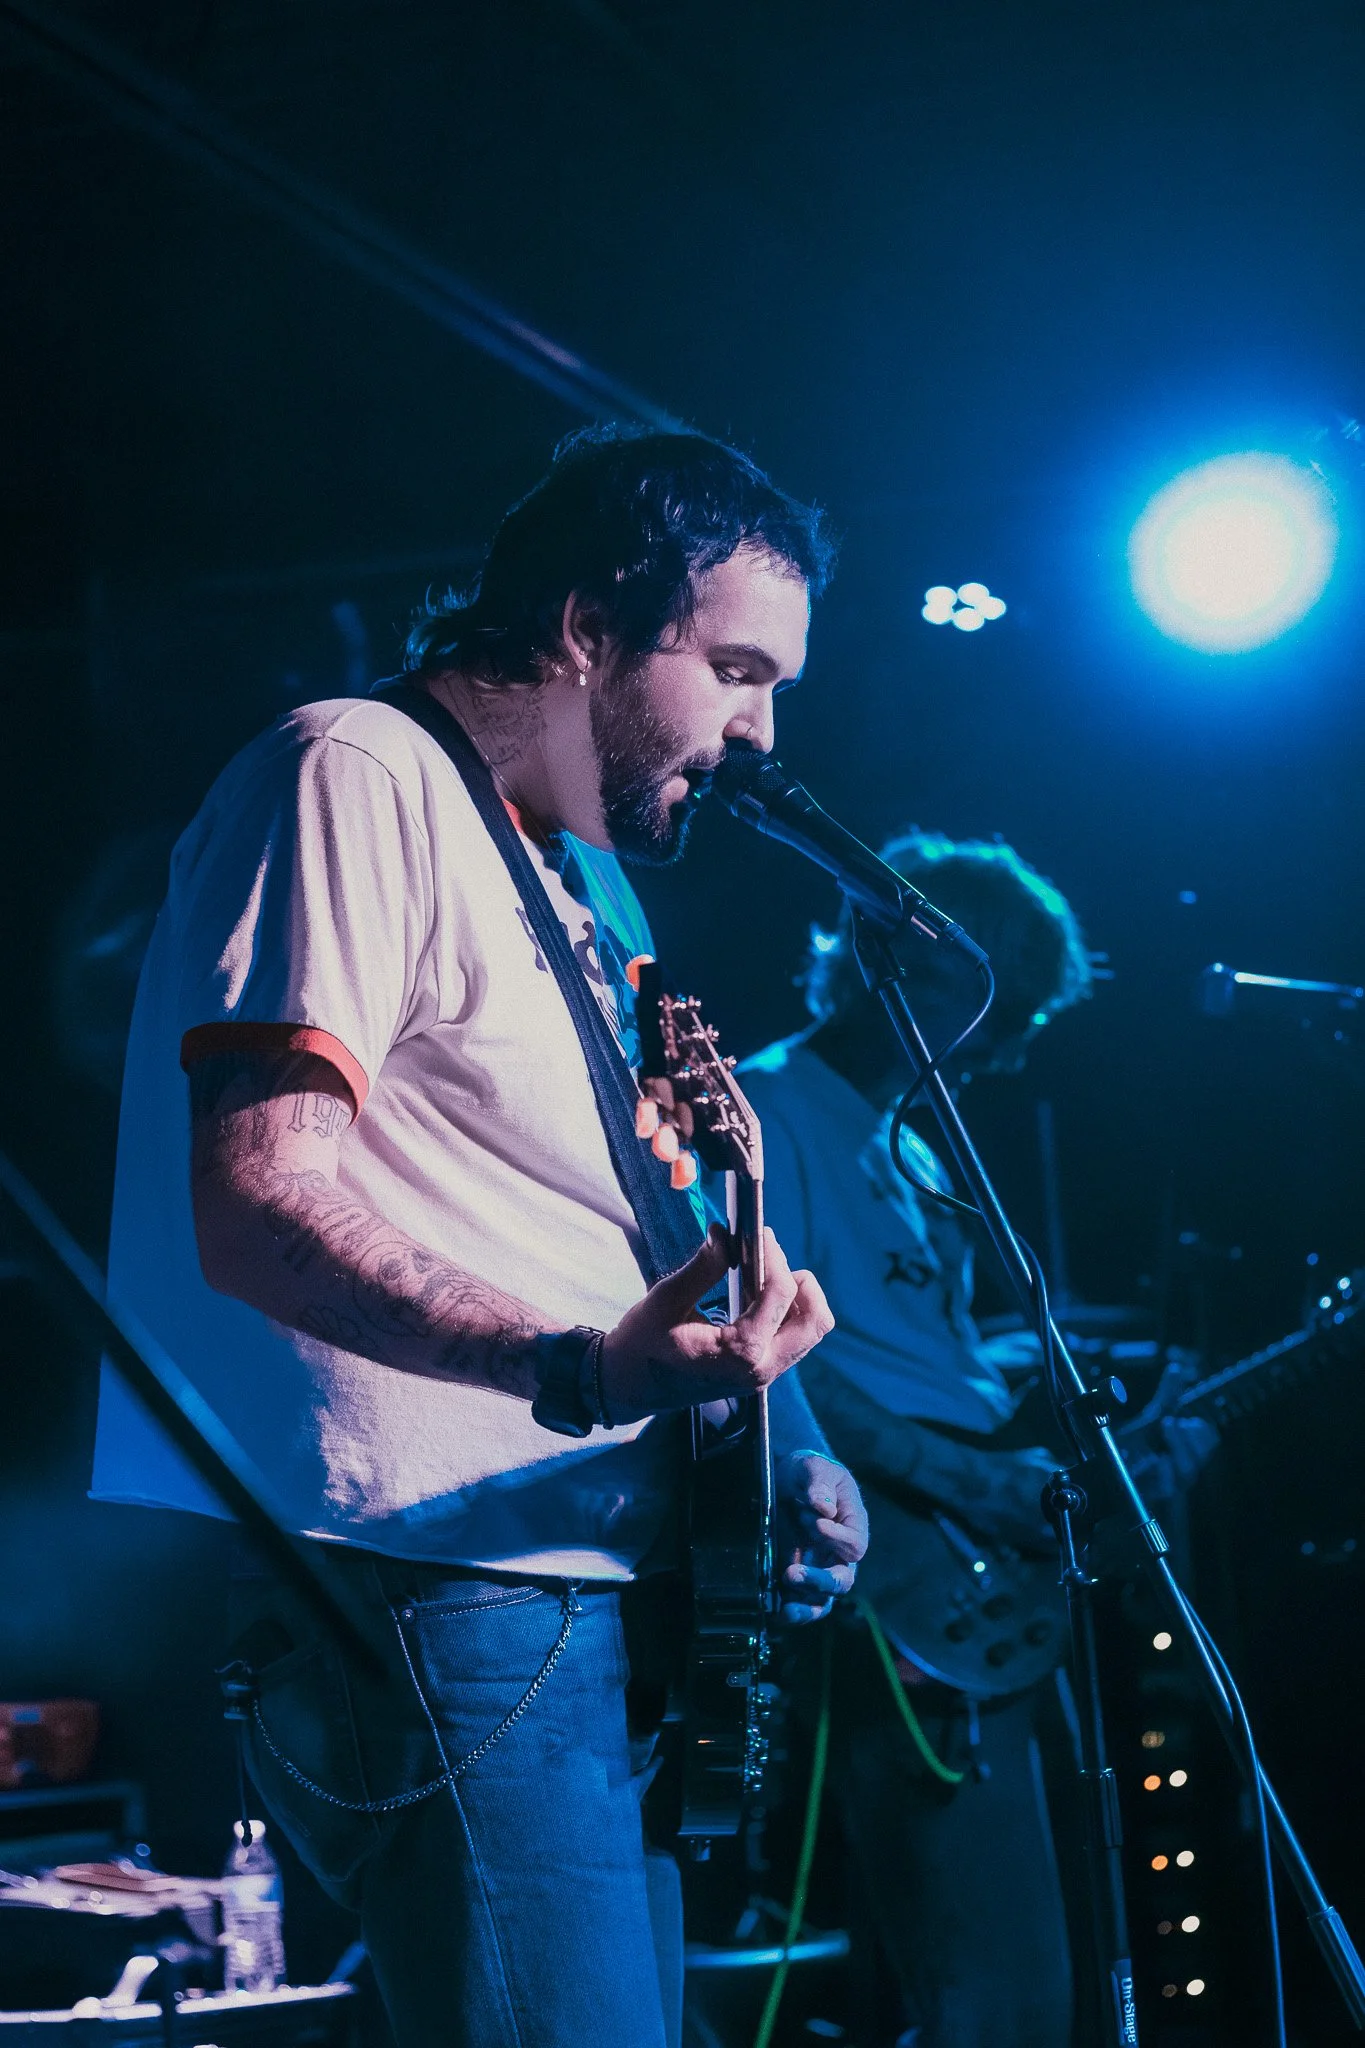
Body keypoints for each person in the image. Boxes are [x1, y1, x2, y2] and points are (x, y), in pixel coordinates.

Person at [90, 426, 869, 2048]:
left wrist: (779, 1445)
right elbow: (260, 1195)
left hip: (587, 1581)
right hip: (446, 1583)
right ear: (587, 625)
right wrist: (581, 1367)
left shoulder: (585, 881)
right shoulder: (352, 771)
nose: (760, 731)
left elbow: (607, 1220)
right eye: (735, 669)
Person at [738, 829, 1094, 2048]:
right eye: (1003, 1003)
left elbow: (923, 1357)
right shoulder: (769, 1106)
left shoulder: (919, 1148)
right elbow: (773, 1350)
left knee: (1011, 1982)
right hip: (899, 1559)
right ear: (909, 961)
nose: (1009, 1043)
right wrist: (971, 1481)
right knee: (995, 1995)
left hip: (970, 1551)